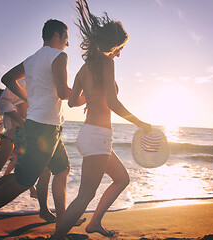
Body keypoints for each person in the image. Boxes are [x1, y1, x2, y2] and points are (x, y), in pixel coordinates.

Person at [0, 19, 84, 240]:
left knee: (62, 169)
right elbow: (65, 94)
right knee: (23, 180)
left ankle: (61, 227)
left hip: (48, 126)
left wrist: (28, 96)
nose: (67, 41)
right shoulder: (59, 56)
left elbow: (6, 78)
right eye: (65, 36)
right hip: (44, 127)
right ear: (56, 35)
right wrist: (88, 96)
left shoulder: (33, 58)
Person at [51, 1, 152, 239]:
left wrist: (90, 99)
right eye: (120, 46)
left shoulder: (84, 69)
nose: (120, 51)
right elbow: (113, 103)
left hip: (91, 136)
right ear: (112, 44)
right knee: (85, 195)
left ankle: (94, 222)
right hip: (98, 137)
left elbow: (71, 101)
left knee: (121, 178)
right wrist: (142, 124)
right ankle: (57, 237)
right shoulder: (107, 62)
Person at [0, 78, 56, 223]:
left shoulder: (14, 101)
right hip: (20, 136)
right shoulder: (15, 101)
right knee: (31, 174)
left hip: (21, 136)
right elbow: (19, 120)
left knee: (27, 174)